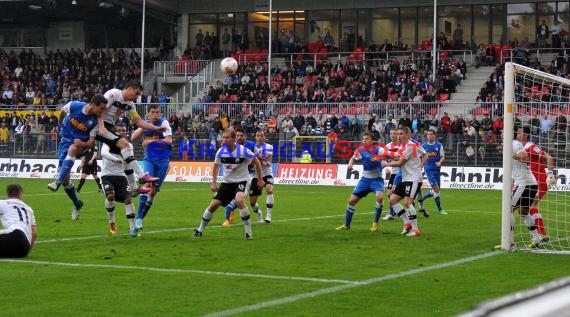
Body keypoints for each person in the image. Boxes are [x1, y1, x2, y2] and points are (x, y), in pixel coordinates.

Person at [193, 128, 265, 240]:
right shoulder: (221, 151)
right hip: (227, 183)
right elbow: (216, 166)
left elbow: (256, 162)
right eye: (223, 137)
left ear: (233, 138)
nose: (224, 139)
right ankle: (199, 230)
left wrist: (260, 180)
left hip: (242, 181)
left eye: (227, 137)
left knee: (240, 200)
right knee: (213, 205)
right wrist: (213, 182)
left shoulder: (243, 150)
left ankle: (248, 232)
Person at [48, 95, 108, 220]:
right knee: (66, 179)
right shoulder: (74, 105)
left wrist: (83, 144)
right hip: (65, 141)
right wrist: (60, 123)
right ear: (93, 104)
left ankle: (57, 181)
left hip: (81, 145)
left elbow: (91, 142)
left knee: (73, 148)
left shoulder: (95, 121)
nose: (103, 112)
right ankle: (77, 203)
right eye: (101, 108)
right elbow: (63, 111)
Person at [97, 81, 161, 192]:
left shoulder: (130, 105)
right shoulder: (114, 94)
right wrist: (101, 127)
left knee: (126, 153)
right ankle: (141, 176)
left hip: (110, 126)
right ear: (130, 88)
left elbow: (139, 121)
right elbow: (99, 109)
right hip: (99, 124)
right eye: (136, 93)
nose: (136, 97)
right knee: (125, 145)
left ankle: (134, 188)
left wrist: (156, 128)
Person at [130, 104, 173, 236]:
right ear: (148, 114)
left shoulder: (164, 123)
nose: (155, 114)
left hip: (163, 161)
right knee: (148, 185)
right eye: (152, 112)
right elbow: (133, 138)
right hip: (149, 160)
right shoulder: (145, 124)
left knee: (153, 192)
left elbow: (169, 141)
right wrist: (143, 127)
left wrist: (151, 142)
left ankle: (140, 219)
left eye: (157, 112)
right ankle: (138, 219)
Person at [336, 132, 386, 232]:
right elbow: (353, 158)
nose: (364, 141)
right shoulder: (360, 149)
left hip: (377, 179)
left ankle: (375, 223)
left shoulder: (378, 149)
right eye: (363, 139)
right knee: (351, 201)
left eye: (367, 139)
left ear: (372, 141)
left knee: (379, 198)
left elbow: (385, 156)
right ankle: (346, 225)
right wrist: (350, 164)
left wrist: (381, 161)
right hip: (365, 179)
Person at [382, 126, 422, 237]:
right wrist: (384, 154)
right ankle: (407, 223)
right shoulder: (403, 146)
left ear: (407, 135)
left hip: (413, 178)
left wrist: (387, 164)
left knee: (407, 202)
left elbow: (400, 163)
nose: (398, 136)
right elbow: (397, 156)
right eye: (397, 134)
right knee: (393, 199)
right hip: (405, 178)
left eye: (401, 134)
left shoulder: (410, 146)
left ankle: (415, 230)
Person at [510, 134, 548, 249]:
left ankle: (509, 242)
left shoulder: (514, 144)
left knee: (508, 210)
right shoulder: (511, 144)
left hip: (524, 184)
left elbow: (524, 156)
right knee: (523, 212)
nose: (501, 134)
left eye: (503, 133)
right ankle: (537, 239)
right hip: (530, 183)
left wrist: (510, 155)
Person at [516, 126, 554, 239]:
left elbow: (549, 157)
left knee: (530, 205)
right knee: (524, 208)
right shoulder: (520, 149)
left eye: (520, 133)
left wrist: (550, 174)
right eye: (517, 133)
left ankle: (541, 235)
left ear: (526, 135)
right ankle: (541, 235)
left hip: (539, 181)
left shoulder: (531, 147)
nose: (517, 135)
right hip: (529, 182)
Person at [100, 123, 137, 236]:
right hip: (107, 175)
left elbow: (129, 166)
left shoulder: (128, 146)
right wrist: (115, 159)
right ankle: (111, 221)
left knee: (128, 199)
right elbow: (103, 153)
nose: (121, 132)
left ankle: (133, 229)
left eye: (123, 130)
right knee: (110, 196)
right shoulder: (108, 142)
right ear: (115, 132)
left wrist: (133, 185)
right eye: (119, 130)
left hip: (121, 176)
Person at [222, 127, 258, 226]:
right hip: (234, 178)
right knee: (234, 200)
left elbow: (258, 156)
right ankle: (229, 218)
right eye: (237, 135)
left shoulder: (251, 146)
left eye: (241, 135)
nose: (239, 137)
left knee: (240, 201)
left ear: (245, 136)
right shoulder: (231, 146)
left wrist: (262, 162)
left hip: (248, 177)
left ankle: (228, 220)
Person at [0, 184, 36, 258]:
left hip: (13, 235)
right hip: (24, 249)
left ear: (7, 194)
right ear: (20, 194)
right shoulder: (29, 209)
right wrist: (26, 252)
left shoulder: (2, 203)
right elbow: (34, 234)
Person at [417, 130, 447, 215]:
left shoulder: (439, 145)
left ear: (434, 135)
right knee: (436, 189)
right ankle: (440, 209)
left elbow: (442, 156)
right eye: (427, 134)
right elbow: (419, 157)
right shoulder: (423, 146)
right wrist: (421, 166)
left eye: (431, 134)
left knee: (437, 190)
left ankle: (422, 198)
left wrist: (440, 162)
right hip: (428, 169)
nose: (429, 136)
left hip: (437, 169)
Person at [249, 130, 275, 223]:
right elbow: (250, 162)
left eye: (261, 136)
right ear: (255, 137)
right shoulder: (252, 147)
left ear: (264, 137)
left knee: (269, 190)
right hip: (256, 176)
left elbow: (264, 157)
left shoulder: (269, 146)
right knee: (252, 203)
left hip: (267, 173)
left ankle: (268, 215)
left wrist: (252, 154)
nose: (259, 137)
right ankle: (259, 214)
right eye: (258, 136)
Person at [382, 128, 401, 221]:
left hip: (404, 173)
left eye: (394, 133)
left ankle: (393, 212)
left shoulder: (403, 145)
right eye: (391, 133)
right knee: (389, 193)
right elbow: (384, 159)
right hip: (394, 172)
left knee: (406, 196)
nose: (392, 135)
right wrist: (386, 168)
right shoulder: (387, 146)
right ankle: (392, 213)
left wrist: (398, 159)